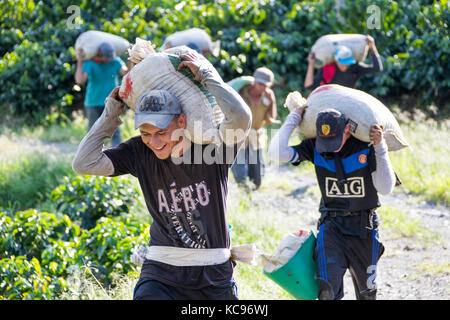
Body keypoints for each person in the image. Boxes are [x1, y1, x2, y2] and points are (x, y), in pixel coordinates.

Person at [72, 51, 252, 300]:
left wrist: (208, 76)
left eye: (161, 132)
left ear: (181, 121)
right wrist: (111, 114)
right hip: (161, 273)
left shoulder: (213, 148)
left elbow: (242, 118)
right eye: (146, 133)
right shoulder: (139, 152)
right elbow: (83, 163)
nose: (154, 142)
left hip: (213, 276)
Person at [268, 106, 396, 300]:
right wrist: (294, 116)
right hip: (331, 227)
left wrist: (380, 146)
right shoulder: (315, 147)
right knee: (327, 292)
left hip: (364, 228)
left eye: (334, 139)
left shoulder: (365, 147)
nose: (330, 146)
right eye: (325, 140)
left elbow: (386, 188)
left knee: (367, 293)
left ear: (347, 129)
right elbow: (276, 153)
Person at [231, 67, 278, 189]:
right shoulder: (241, 92)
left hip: (256, 135)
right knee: (239, 167)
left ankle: (253, 188)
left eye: (265, 85)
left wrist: (271, 101)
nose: (262, 87)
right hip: (239, 133)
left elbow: (269, 120)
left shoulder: (268, 96)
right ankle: (242, 189)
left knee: (257, 176)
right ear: (254, 81)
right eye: (260, 84)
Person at [75, 42, 128, 147]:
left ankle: (117, 156)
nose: (108, 59)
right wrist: (80, 61)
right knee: (93, 132)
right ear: (100, 53)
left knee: (115, 131)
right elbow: (79, 80)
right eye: (106, 57)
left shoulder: (115, 62)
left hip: (111, 102)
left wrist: (130, 58)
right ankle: (91, 155)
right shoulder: (90, 63)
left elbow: (127, 74)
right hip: (93, 102)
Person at [304, 35, 382, 91]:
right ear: (335, 59)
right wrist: (311, 64)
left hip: (347, 100)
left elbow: (377, 68)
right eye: (343, 62)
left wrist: (372, 46)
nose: (346, 65)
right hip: (329, 100)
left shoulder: (354, 67)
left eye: (347, 62)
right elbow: (309, 86)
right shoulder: (327, 69)